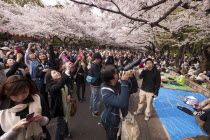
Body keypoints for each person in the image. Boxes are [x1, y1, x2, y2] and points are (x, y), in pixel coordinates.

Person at [0, 75, 51, 140]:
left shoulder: (37, 99)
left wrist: (42, 119)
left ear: (29, 88)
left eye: (25, 92)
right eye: (14, 95)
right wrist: (15, 129)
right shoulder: (2, 107)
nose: (20, 97)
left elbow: (47, 119)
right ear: (7, 93)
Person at [100, 65, 138, 140]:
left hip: (121, 118)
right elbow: (122, 103)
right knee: (112, 137)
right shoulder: (105, 92)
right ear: (111, 79)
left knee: (121, 136)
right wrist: (124, 82)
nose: (119, 73)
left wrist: (132, 78)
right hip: (111, 121)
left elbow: (134, 89)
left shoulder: (118, 83)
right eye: (116, 72)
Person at [45, 62, 73, 140]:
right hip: (60, 109)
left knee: (65, 120)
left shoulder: (60, 81)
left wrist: (69, 95)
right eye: (54, 73)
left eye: (57, 71)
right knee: (60, 129)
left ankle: (66, 132)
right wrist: (67, 71)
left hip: (66, 106)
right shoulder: (51, 86)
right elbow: (58, 86)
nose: (57, 72)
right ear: (51, 78)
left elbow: (67, 88)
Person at [89, 52, 103, 117]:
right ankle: (95, 112)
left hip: (93, 83)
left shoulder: (94, 64)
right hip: (96, 84)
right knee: (96, 98)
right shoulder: (94, 66)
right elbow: (97, 76)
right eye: (99, 59)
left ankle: (91, 106)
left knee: (93, 96)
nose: (100, 60)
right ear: (96, 59)